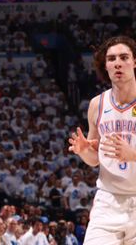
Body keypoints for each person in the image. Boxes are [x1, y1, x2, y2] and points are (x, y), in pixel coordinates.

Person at [68, 35, 136, 245]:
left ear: (134, 62)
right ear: (104, 66)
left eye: (124, 57)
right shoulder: (97, 104)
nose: (117, 63)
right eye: (111, 58)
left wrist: (132, 155)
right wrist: (83, 151)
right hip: (108, 200)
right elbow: (94, 159)